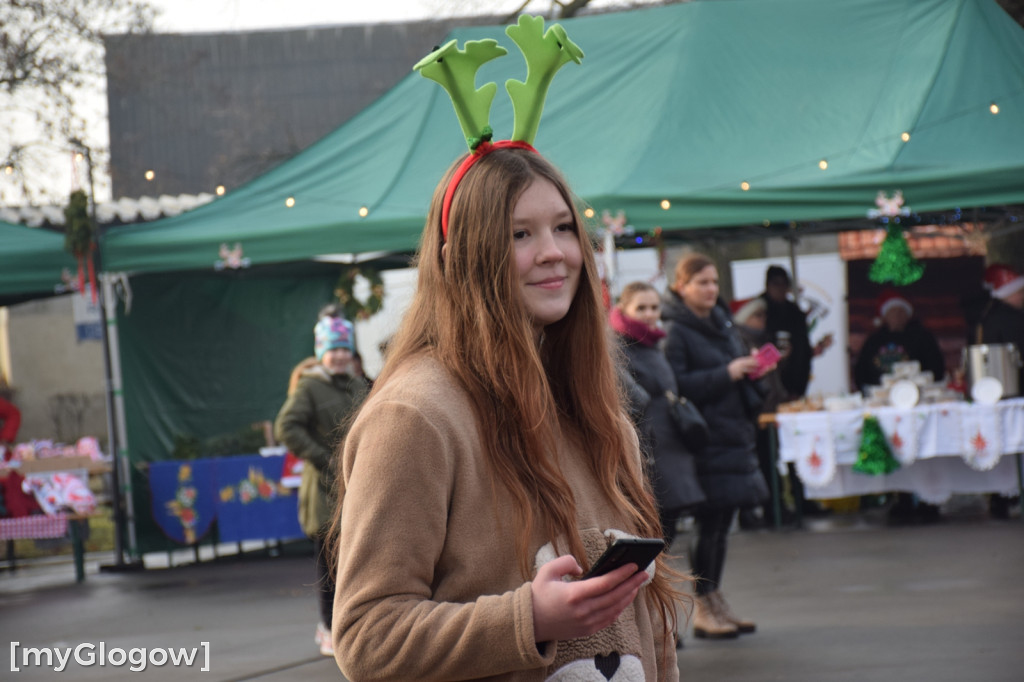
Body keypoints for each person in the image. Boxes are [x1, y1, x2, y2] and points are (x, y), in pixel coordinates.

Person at [330, 148, 683, 679]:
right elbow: (367, 635)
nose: (553, 253)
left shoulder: (598, 417)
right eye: (520, 234)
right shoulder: (414, 417)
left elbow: (648, 625)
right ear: (459, 258)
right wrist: (528, 620)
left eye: (564, 228)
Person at [661, 253, 769, 640]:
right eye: (702, 282)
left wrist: (752, 368)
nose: (710, 289)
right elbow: (675, 385)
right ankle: (704, 607)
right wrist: (727, 373)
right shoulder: (676, 330)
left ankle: (715, 598)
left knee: (723, 522)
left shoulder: (723, 322)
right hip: (704, 438)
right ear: (681, 287)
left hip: (732, 432)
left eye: (714, 282)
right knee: (709, 523)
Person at [274, 315, 368, 657]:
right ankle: (328, 628)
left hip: (359, 488)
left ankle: (351, 627)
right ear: (320, 352)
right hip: (326, 494)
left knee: (355, 565)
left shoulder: (357, 384)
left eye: (345, 348)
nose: (340, 355)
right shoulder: (310, 387)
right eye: (333, 349)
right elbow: (286, 427)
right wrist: (323, 458)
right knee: (329, 569)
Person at [610, 281, 706, 545]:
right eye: (641, 308)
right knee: (654, 528)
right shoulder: (619, 347)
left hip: (669, 443)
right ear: (623, 309)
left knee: (667, 525)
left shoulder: (653, 343)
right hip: (649, 446)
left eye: (654, 307)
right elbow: (631, 400)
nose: (649, 314)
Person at [962, 263, 1024, 519]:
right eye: (1020, 292)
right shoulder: (1012, 319)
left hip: (987, 391)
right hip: (1013, 390)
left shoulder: (983, 317)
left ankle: (1000, 496)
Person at [732, 297, 790, 529]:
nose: (763, 319)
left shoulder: (759, 338)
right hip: (755, 412)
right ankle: (762, 511)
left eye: (764, 315)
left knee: (767, 461)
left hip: (765, 409)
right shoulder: (740, 339)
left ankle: (772, 509)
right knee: (760, 462)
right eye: (757, 315)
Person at [853, 290, 945, 393]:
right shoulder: (873, 341)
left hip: (916, 394)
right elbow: (861, 371)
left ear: (908, 315)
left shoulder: (922, 338)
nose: (897, 315)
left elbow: (936, 367)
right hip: (881, 395)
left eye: (901, 311)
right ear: (884, 316)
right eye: (892, 312)